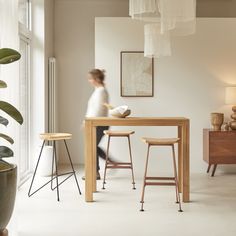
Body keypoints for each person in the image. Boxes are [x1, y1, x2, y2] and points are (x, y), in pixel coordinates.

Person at [83, 69, 110, 180]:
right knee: (92, 146)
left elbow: (98, 109)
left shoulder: (101, 91)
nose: (89, 81)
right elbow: (92, 109)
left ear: (97, 79)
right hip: (94, 122)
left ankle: (96, 172)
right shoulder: (98, 90)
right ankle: (97, 171)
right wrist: (86, 121)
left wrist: (88, 121)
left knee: (92, 146)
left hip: (98, 123)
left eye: (91, 78)